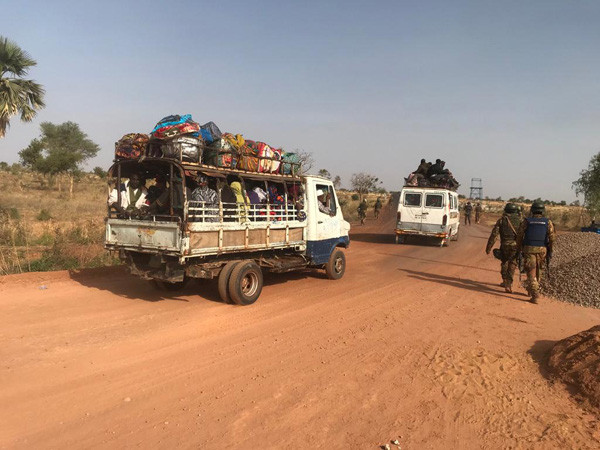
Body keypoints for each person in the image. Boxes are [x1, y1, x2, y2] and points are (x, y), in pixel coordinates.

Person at [516, 201, 556, 304]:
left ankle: (534, 294)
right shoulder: (548, 222)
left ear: (532, 210)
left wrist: (518, 248)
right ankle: (532, 290)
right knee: (539, 271)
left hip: (529, 249)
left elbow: (520, 235)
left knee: (531, 272)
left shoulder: (526, 221)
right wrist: (550, 250)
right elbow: (552, 238)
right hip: (542, 250)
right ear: (543, 211)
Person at [485, 203, 523, 293]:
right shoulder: (521, 221)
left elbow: (494, 235)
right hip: (516, 245)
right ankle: (508, 284)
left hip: (505, 245)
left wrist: (488, 247)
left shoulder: (502, 220)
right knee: (513, 263)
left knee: (504, 262)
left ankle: (505, 281)